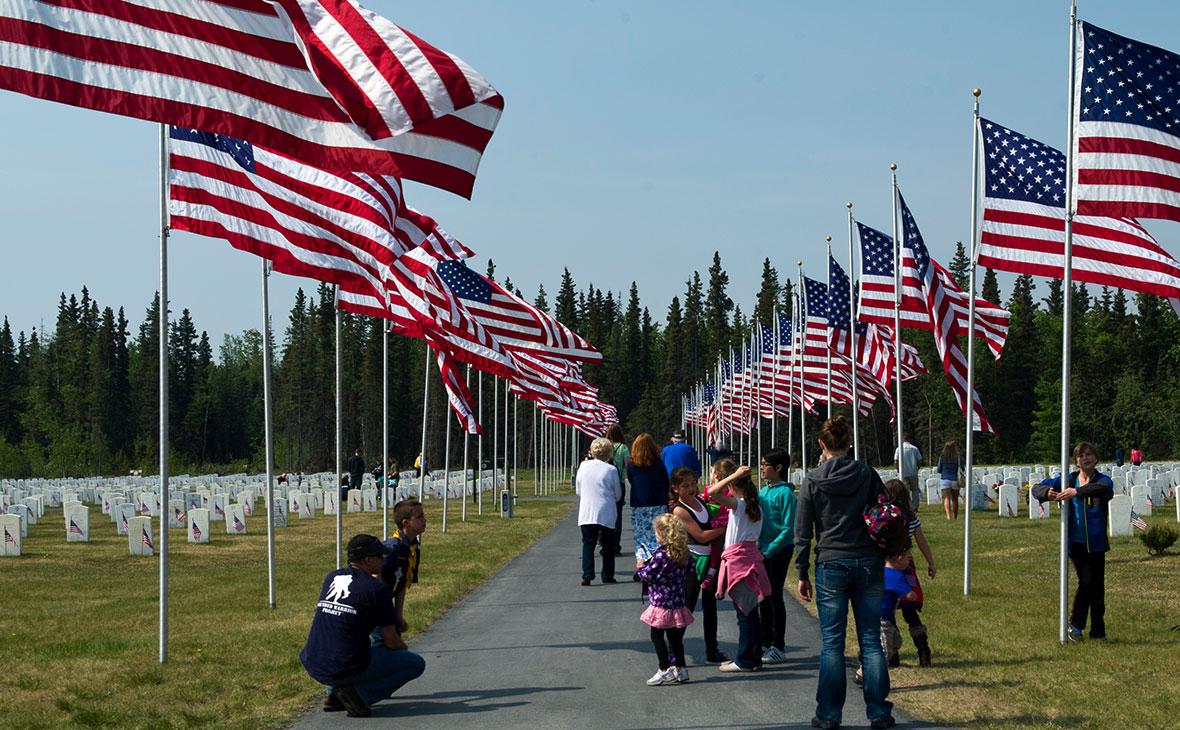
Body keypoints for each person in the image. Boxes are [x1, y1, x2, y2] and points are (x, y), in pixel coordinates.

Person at [796, 415, 894, 730]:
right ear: (848, 443)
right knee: (870, 639)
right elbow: (886, 510)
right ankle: (878, 713)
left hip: (831, 561)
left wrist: (801, 570)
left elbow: (802, 531)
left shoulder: (812, 480)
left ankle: (828, 715)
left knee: (832, 643)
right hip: (867, 560)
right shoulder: (866, 474)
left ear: (821, 444)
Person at [299, 534, 426, 718]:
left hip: (314, 662)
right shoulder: (377, 589)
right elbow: (390, 641)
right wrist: (403, 650)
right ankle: (359, 695)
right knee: (414, 663)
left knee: (342, 645)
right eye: (380, 557)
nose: (384, 560)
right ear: (367, 560)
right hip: (345, 666)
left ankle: (333, 693)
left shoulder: (331, 577)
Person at [1032, 441, 1114, 641]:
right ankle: (1075, 625)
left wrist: (1076, 492)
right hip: (1074, 543)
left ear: (1096, 458)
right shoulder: (1068, 479)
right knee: (1086, 583)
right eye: (1080, 456)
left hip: (1095, 543)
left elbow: (1103, 489)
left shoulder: (1102, 480)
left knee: (1097, 589)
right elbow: (1036, 488)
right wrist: (1047, 493)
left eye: (1089, 454)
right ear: (1076, 461)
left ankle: (1098, 632)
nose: (1085, 458)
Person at [706, 460, 771, 673]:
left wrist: (730, 477)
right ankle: (753, 656)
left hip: (739, 563)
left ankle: (745, 659)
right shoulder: (753, 505)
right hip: (749, 559)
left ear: (731, 485)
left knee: (744, 613)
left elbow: (713, 493)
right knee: (750, 611)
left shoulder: (739, 505)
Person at [670, 466, 728, 664]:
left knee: (710, 608)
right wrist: (724, 528)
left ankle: (712, 650)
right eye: (685, 486)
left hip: (710, 560)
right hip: (693, 563)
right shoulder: (679, 510)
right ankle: (672, 651)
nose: (691, 489)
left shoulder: (701, 501)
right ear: (675, 488)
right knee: (687, 607)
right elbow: (702, 536)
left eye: (693, 484)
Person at [882, 479, 935, 667]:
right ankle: (923, 651)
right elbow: (922, 542)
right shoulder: (911, 518)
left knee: (888, 610)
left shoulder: (885, 518)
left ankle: (893, 654)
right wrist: (931, 563)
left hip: (889, 565)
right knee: (910, 610)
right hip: (907, 565)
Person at [638, 513, 695, 686]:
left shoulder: (662, 555)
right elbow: (690, 569)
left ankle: (664, 669)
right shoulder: (684, 552)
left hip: (661, 602)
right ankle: (681, 668)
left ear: (663, 534)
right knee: (675, 638)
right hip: (677, 601)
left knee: (656, 635)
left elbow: (649, 575)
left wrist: (641, 567)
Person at [757, 447, 797, 665]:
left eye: (765, 464)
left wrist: (769, 550)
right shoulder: (763, 493)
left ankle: (778, 645)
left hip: (779, 550)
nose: (762, 468)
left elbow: (788, 529)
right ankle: (765, 640)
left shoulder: (786, 494)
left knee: (774, 596)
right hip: (761, 550)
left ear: (779, 467)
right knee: (763, 596)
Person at [576, 437, 623, 586]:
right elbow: (618, 494)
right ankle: (607, 575)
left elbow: (578, 490)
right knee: (608, 545)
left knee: (588, 543)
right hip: (606, 511)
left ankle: (587, 574)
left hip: (587, 510)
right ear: (609, 453)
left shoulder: (583, 466)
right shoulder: (611, 469)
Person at [380, 500, 427, 637]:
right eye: (419, 517)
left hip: (388, 605)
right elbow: (374, 580)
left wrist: (398, 615)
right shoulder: (391, 550)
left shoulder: (413, 550)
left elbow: (402, 585)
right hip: (376, 607)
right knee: (387, 645)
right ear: (406, 523)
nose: (424, 520)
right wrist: (385, 614)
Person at [627, 433, 670, 579]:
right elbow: (666, 482)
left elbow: (632, 481)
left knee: (641, 537)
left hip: (640, 504)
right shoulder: (659, 464)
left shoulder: (632, 465)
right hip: (658, 502)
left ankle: (641, 563)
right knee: (658, 535)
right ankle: (656, 562)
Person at [607, 424, 630, 557]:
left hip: (604, 483)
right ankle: (616, 545)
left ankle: (605, 543)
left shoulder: (604, 447)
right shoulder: (623, 448)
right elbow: (628, 466)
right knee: (617, 516)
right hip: (619, 482)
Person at [893, 432, 922, 513]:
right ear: (909, 439)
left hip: (903, 473)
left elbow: (896, 461)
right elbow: (920, 460)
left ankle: (908, 506)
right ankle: (915, 507)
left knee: (906, 491)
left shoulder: (899, 449)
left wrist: (898, 470)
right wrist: (917, 468)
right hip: (913, 472)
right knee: (915, 490)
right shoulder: (914, 448)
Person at [936, 441, 963, 521]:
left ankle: (948, 516)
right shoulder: (958, 457)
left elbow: (939, 469)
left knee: (947, 498)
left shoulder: (942, 457)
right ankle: (955, 516)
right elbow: (963, 467)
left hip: (945, 479)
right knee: (955, 499)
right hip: (955, 479)